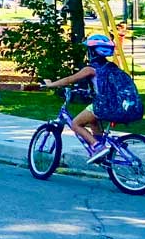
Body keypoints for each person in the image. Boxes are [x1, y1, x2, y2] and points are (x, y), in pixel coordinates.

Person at [42, 34, 117, 164]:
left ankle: (98, 147)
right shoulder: (111, 67)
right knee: (93, 122)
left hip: (102, 105)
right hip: (115, 104)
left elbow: (69, 80)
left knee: (75, 124)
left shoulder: (90, 69)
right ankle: (100, 152)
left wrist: (51, 84)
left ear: (92, 52)